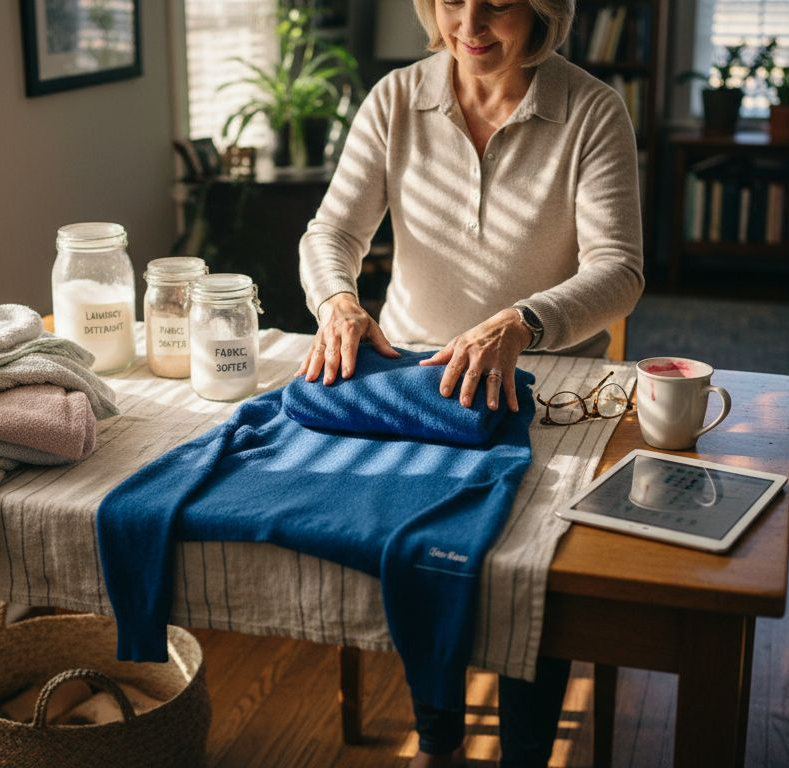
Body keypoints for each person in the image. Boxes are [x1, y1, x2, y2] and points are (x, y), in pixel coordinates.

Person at [297, 0, 643, 765]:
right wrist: (338, 303)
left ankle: (525, 751)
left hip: (551, 383)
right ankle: (440, 738)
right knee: (428, 549)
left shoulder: (591, 109)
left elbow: (618, 269)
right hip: (417, 382)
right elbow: (333, 231)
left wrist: (518, 321)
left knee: (533, 567)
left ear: (544, 9)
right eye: (451, 0)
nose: (471, 22)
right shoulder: (396, 98)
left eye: (499, 3)